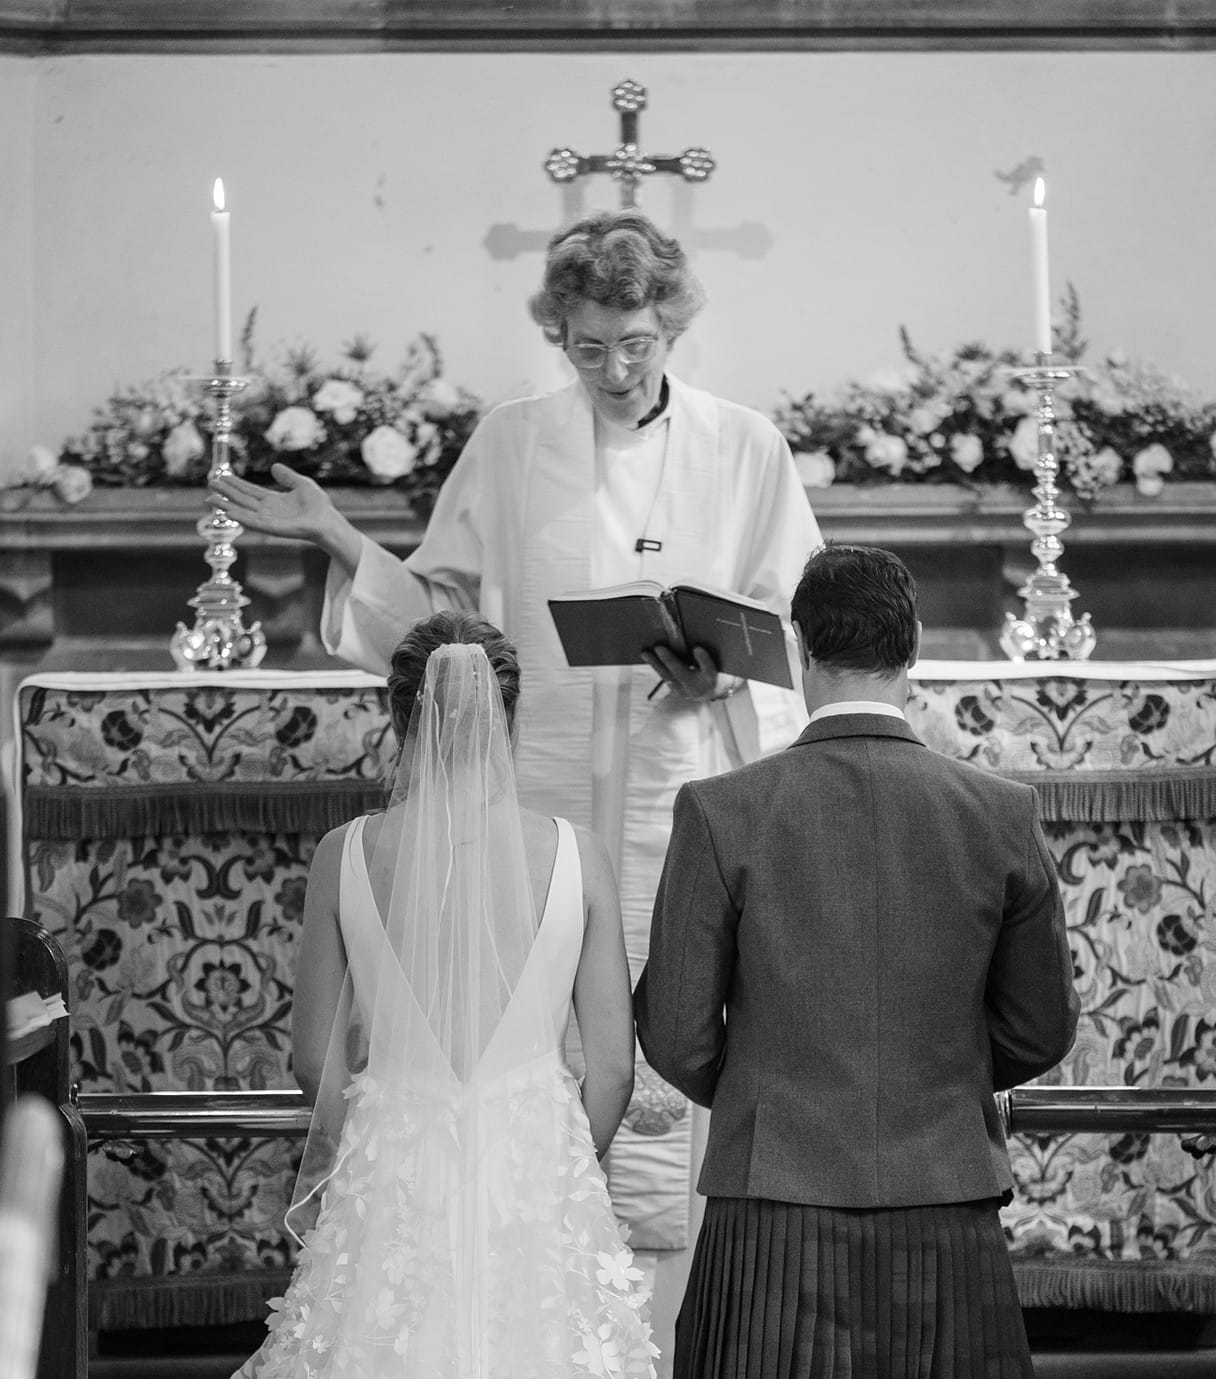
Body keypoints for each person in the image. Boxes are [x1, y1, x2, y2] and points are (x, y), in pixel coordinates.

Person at [56, 612, 753, 1379]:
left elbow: (315, 1054)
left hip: (396, 1160)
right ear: (511, 710)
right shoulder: (575, 851)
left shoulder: (346, 854)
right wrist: (558, 1161)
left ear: (397, 715)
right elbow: (608, 1055)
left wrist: (366, 1136)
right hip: (533, 1161)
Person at [211, 208, 820, 1283]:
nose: (615, 368)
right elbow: (445, 622)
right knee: (541, 1034)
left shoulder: (746, 444)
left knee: (685, 1010)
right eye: (588, 347)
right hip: (535, 795)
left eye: (636, 344)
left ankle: (686, 1320)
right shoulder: (513, 438)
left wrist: (722, 666)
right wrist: (342, 539)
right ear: (558, 334)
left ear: (672, 324)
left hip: (692, 775)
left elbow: (796, 627)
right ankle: (533, 1268)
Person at [634, 544, 1080, 1379]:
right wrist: (940, 1087)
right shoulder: (998, 810)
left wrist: (772, 1095)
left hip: (777, 1200)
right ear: (912, 651)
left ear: (801, 649)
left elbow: (673, 1028)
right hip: (947, 1201)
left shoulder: (724, 809)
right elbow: (1043, 1026)